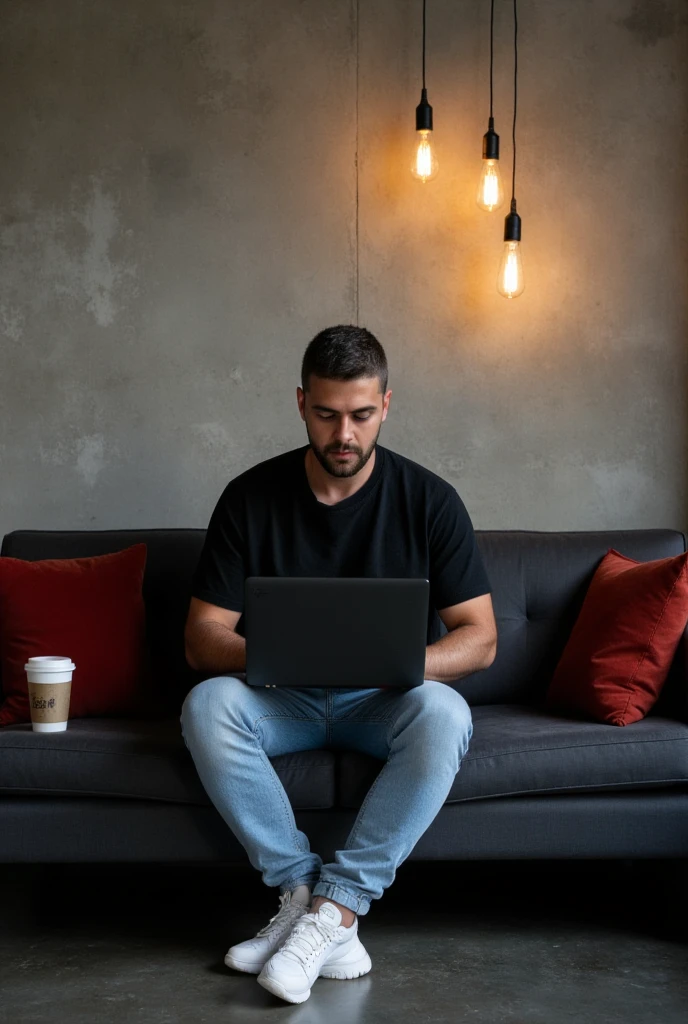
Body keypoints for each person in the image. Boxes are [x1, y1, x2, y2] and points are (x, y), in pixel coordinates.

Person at [181, 324, 497, 1005]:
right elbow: (202, 637)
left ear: (386, 405)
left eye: (359, 415)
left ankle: (337, 909)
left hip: (380, 702)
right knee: (207, 704)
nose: (343, 434)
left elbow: (482, 637)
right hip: (280, 697)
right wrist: (278, 658)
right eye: (326, 415)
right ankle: (300, 897)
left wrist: (405, 665)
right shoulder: (249, 497)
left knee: (445, 712)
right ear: (301, 404)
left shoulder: (430, 501)